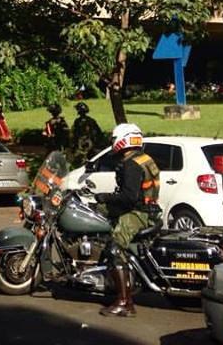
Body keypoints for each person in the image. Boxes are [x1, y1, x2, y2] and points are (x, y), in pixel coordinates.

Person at [93, 123, 161, 317]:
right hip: (147, 209)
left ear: (123, 139)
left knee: (114, 248)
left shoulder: (131, 164)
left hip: (138, 213)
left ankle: (124, 302)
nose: (113, 142)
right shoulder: (143, 158)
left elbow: (129, 197)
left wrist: (105, 197)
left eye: (114, 139)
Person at [70, 101, 105, 166]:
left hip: (82, 143)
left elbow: (74, 134)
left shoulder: (77, 121)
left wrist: (73, 145)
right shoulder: (91, 120)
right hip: (91, 143)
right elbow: (98, 132)